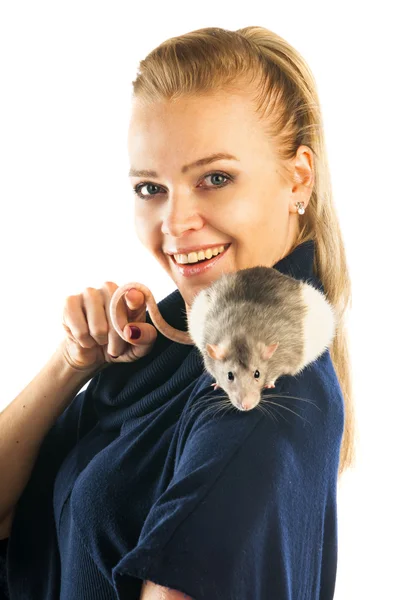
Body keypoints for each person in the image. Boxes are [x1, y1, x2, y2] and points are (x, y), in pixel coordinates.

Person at [0, 25, 355, 600]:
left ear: (299, 178)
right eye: (150, 188)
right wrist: (72, 363)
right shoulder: (172, 343)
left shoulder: (253, 395)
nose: (174, 222)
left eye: (215, 179)